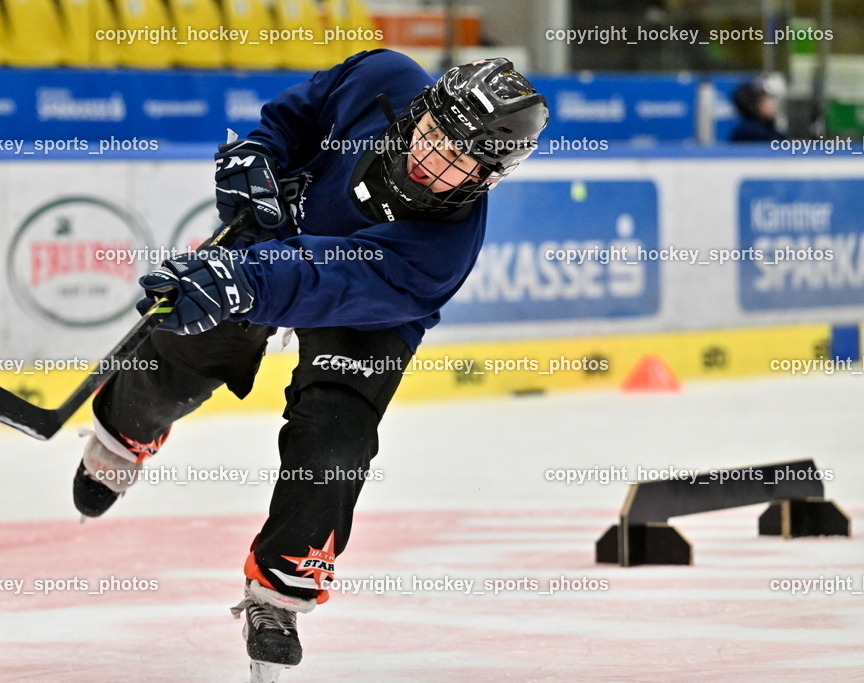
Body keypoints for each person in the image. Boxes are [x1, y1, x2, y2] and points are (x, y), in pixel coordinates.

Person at [71, 49, 548, 677]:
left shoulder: (442, 249)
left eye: (458, 158)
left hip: (365, 310)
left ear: (488, 175)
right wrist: (258, 155)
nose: (431, 161)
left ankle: (277, 593)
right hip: (276, 240)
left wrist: (240, 278)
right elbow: (299, 114)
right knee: (187, 351)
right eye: (434, 135)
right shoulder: (382, 77)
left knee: (336, 438)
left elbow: (328, 279)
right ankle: (124, 430)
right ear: (422, 107)